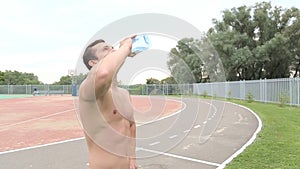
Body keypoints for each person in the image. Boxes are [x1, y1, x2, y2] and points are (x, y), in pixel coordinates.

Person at [78, 35, 138, 169]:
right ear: (93, 63)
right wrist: (125, 47)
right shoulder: (88, 91)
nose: (113, 50)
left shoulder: (124, 93)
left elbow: (131, 126)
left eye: (112, 48)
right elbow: (103, 73)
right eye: (106, 49)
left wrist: (132, 157)